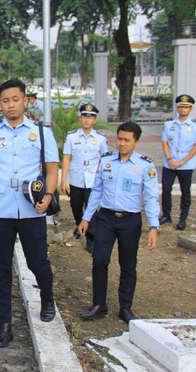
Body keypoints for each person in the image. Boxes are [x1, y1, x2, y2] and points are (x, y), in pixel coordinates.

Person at [0, 79, 58, 348]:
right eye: (6, 100)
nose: (11, 105)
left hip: (32, 209)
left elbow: (52, 169)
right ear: (0, 103)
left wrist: (48, 195)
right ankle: (4, 325)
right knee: (0, 269)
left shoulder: (41, 132)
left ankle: (47, 296)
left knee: (38, 264)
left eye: (15, 99)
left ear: (24, 101)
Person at [77, 122, 160, 324]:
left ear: (136, 142)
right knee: (99, 260)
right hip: (105, 218)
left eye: (126, 140)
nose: (121, 143)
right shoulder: (106, 162)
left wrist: (154, 226)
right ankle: (99, 305)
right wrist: (86, 218)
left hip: (130, 221)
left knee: (128, 264)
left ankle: (125, 307)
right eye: (119, 139)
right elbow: (96, 191)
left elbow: (150, 198)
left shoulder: (144, 165)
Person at [60, 103, 109, 252]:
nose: (87, 120)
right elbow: (67, 158)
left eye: (91, 117)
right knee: (76, 207)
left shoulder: (100, 138)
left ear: (94, 120)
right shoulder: (72, 136)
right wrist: (63, 180)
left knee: (91, 208)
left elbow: (104, 159)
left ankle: (91, 238)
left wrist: (104, 179)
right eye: (84, 116)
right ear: (80, 118)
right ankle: (80, 226)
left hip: (92, 180)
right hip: (75, 179)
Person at [159, 94, 196, 230]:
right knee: (166, 189)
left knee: (185, 192)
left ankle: (182, 219)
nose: (182, 109)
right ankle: (166, 215)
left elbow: (195, 147)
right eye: (180, 106)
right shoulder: (169, 124)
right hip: (169, 163)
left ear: (190, 108)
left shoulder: (194, 125)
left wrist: (182, 161)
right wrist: (170, 159)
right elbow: (165, 143)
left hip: (186, 164)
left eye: (186, 107)